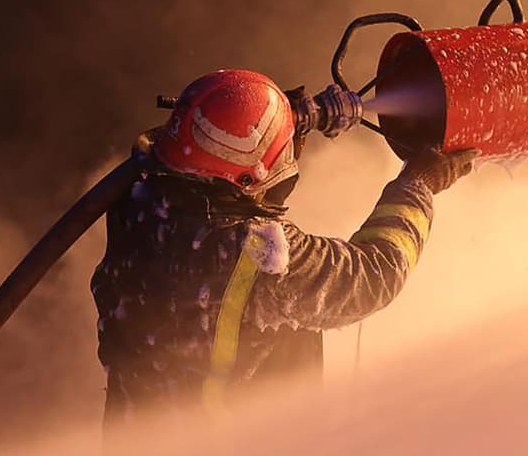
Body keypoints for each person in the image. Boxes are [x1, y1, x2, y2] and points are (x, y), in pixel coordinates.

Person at [91, 69, 478, 423]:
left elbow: (208, 153)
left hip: (134, 450)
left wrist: (284, 123)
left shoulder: (138, 196)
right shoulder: (256, 254)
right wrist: (419, 185)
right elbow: (374, 274)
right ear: (248, 176)